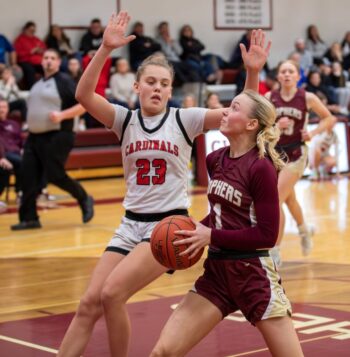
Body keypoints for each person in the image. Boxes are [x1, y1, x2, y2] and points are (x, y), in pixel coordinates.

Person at [57, 11, 270, 357]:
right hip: (129, 224)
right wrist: (105, 49)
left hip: (167, 226)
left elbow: (242, 115)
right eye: (151, 82)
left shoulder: (184, 119)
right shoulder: (124, 119)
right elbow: (83, 95)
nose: (157, 88)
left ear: (171, 89)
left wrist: (253, 72)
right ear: (137, 86)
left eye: (164, 84)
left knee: (111, 294)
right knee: (87, 304)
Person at [150, 89, 303, 357]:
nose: (224, 111)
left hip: (253, 273)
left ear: (251, 124)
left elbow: (266, 235)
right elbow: (221, 215)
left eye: (233, 108)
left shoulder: (261, 168)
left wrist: (211, 236)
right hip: (217, 272)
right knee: (163, 352)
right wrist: (187, 237)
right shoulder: (215, 159)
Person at [10, 49, 93, 230]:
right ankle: (29, 218)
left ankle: (83, 197)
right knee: (28, 175)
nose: (48, 61)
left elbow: (84, 104)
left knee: (54, 175)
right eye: (46, 58)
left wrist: (62, 115)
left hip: (58, 134)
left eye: (52, 58)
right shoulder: (38, 84)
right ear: (41, 62)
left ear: (58, 63)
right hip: (34, 137)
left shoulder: (63, 81)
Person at [265, 60, 335, 266]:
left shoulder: (307, 97)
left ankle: (275, 252)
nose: (286, 74)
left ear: (298, 76)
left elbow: (329, 118)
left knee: (275, 198)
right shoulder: (270, 98)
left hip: (296, 153)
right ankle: (305, 230)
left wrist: (312, 132)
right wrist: (275, 125)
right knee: (288, 199)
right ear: (278, 77)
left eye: (291, 71)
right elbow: (260, 125)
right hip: (275, 153)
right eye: (283, 71)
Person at [14, 21, 46, 89]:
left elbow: (44, 48)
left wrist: (41, 51)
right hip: (24, 61)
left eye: (34, 31)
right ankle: (32, 90)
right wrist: (30, 52)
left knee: (47, 67)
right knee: (30, 70)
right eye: (30, 30)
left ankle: (47, 88)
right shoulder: (19, 40)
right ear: (25, 30)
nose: (32, 32)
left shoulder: (36, 39)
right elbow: (18, 54)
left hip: (37, 61)